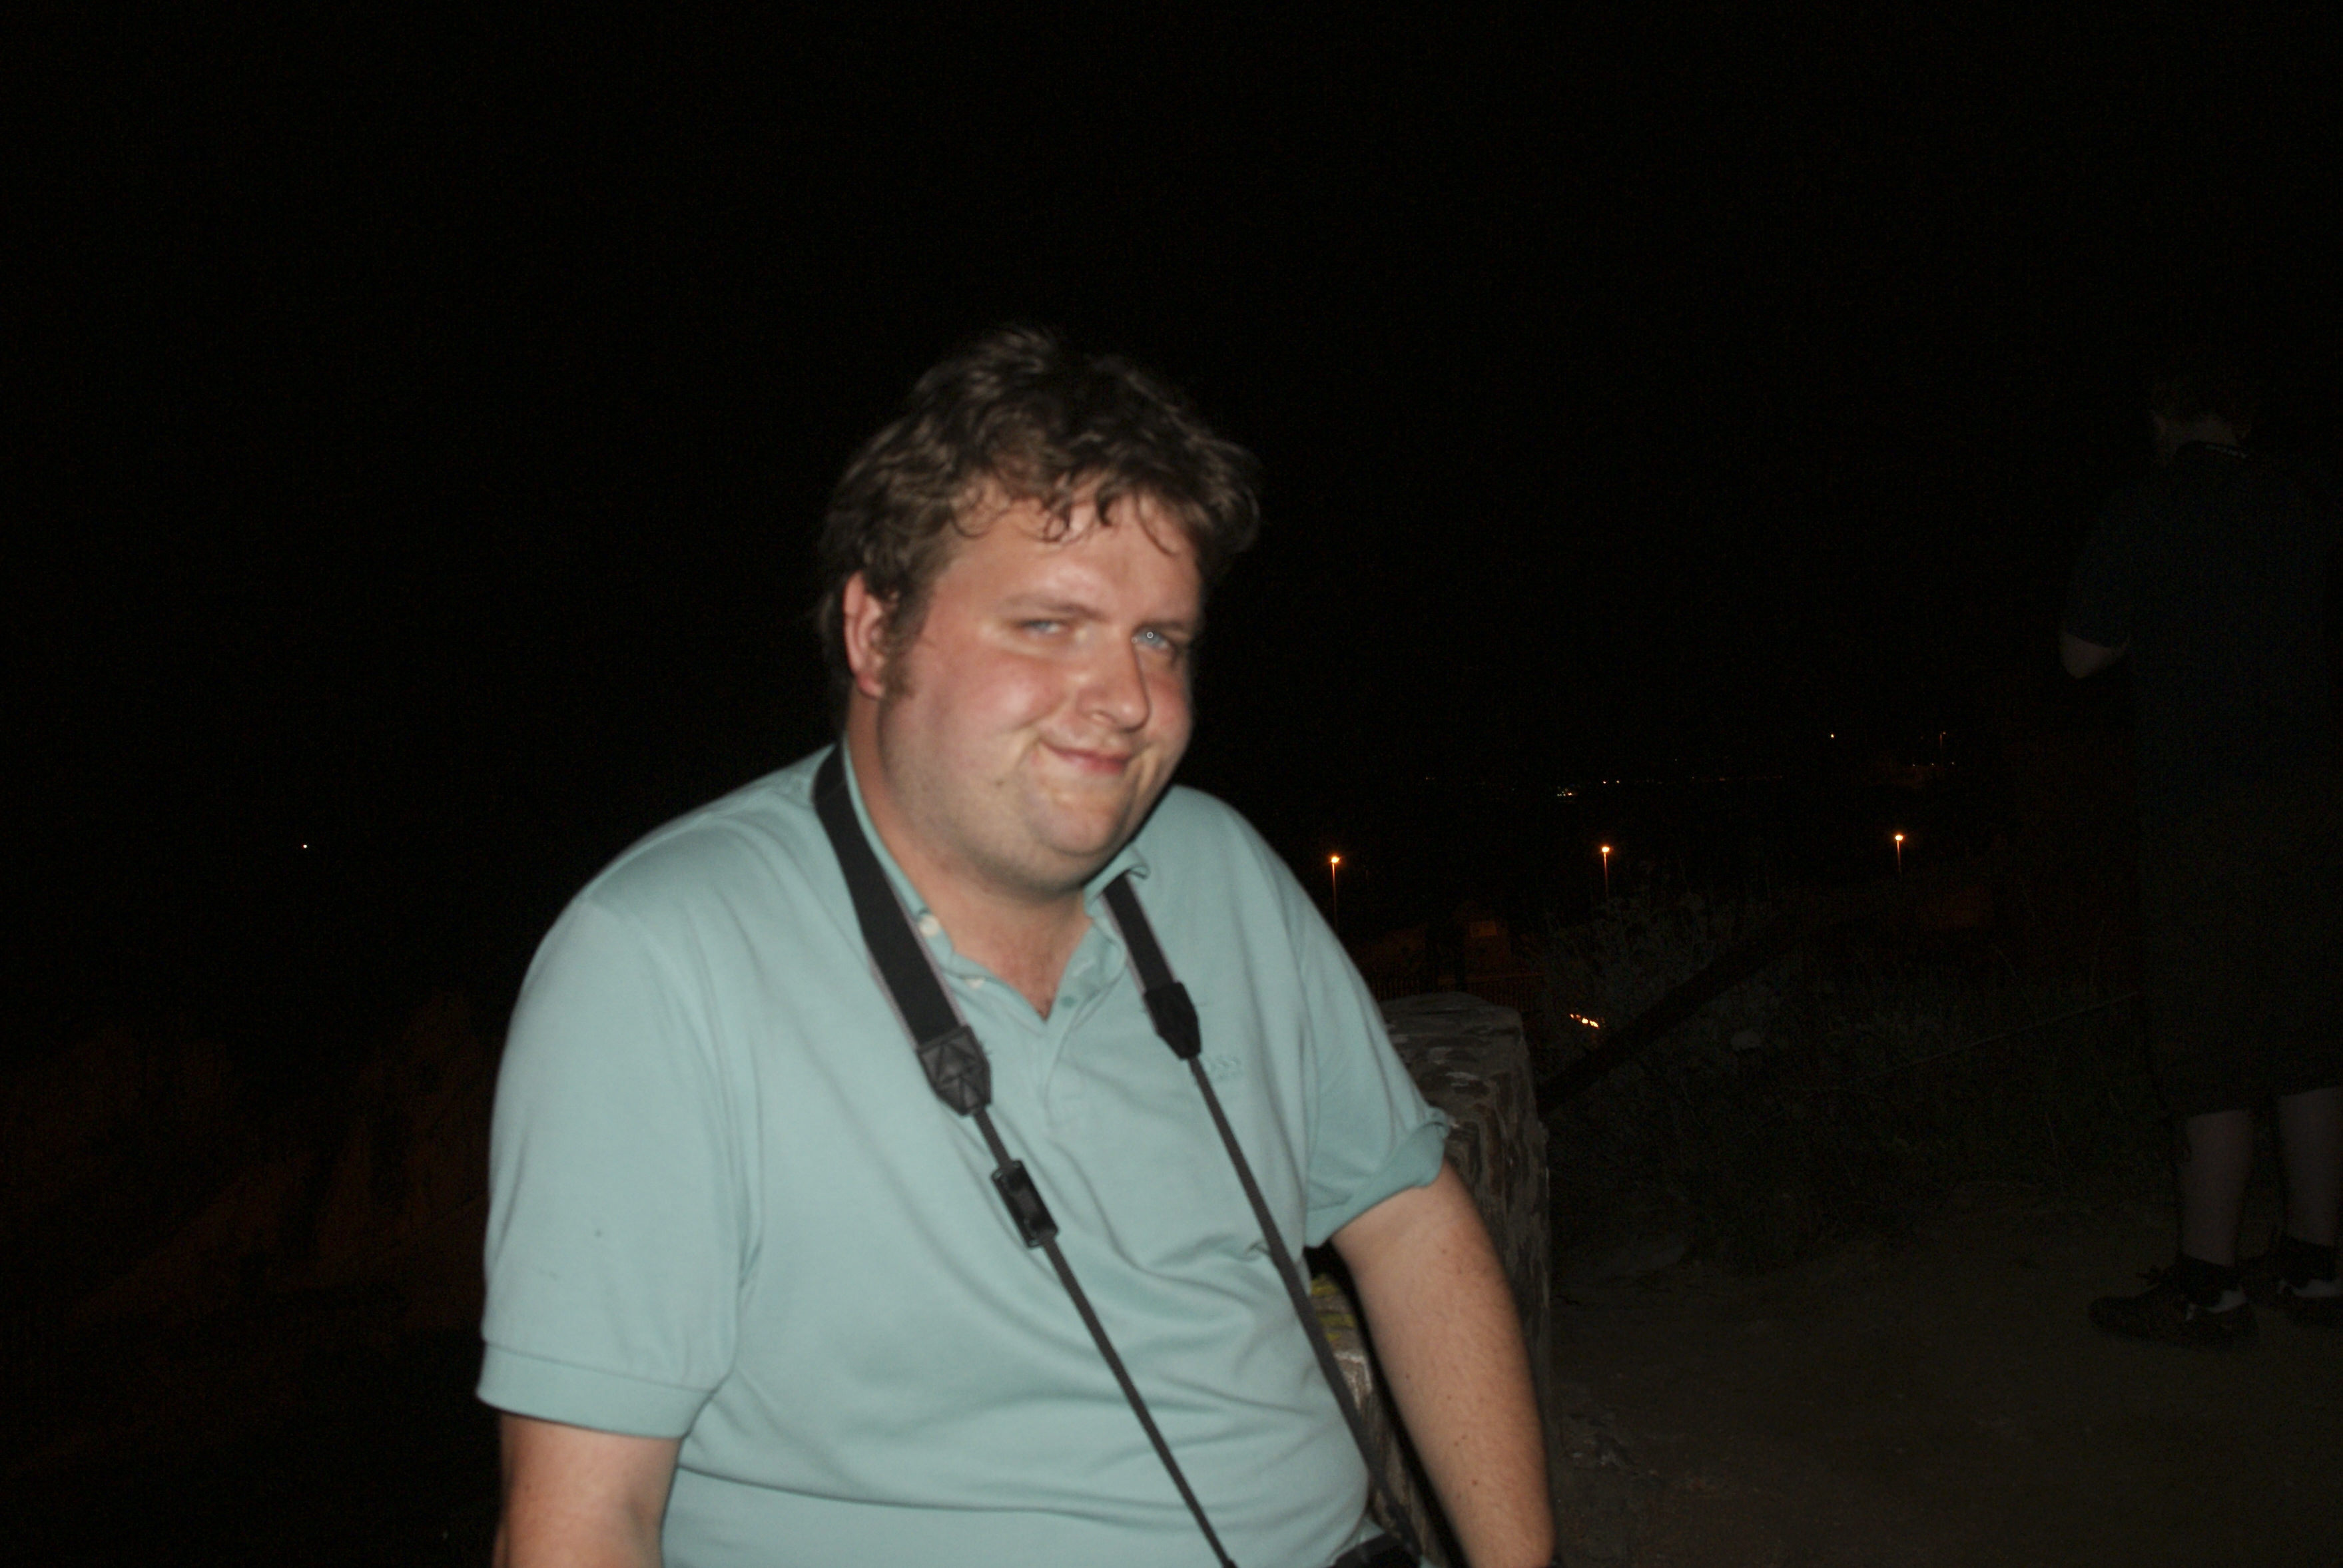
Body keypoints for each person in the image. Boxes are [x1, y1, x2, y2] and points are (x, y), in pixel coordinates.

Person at [480, 327, 1557, 1567]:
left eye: (1160, 639)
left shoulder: (1219, 871)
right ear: (874, 631)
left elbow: (1407, 1218)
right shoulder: (658, 961)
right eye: (1049, 625)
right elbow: (582, 1520)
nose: (1128, 701)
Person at [2064, 364, 2343, 1346]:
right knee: (2312, 1044)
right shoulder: (2304, 499)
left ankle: (2208, 1288)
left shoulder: (2146, 507)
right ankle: (2315, 1266)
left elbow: (2080, 654)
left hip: (2203, 817)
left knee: (2208, 1051)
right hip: (2314, 805)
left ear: (2161, 412)